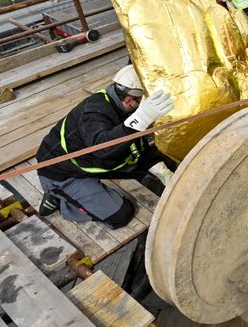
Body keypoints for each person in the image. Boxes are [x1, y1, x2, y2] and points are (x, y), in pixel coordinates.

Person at [35, 65, 175, 228]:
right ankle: (58, 196)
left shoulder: (124, 109)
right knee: (120, 215)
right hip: (62, 173)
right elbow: (102, 148)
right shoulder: (94, 112)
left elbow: (137, 145)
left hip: (92, 163)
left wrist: (162, 172)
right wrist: (140, 119)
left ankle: (83, 191)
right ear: (129, 100)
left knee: (149, 168)